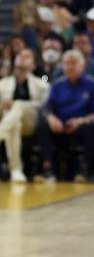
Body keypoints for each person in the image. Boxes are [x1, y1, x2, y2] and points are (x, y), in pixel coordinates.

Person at [35, 49, 94, 181]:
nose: (70, 66)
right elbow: (46, 107)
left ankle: (84, 170)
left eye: (74, 63)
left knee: (93, 126)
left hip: (81, 127)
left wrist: (80, 121)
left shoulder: (93, 85)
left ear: (82, 66)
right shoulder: (57, 85)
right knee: (42, 123)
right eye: (66, 63)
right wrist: (51, 118)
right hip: (60, 126)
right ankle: (47, 169)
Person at [0, 49, 50, 183]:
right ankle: (16, 170)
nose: (22, 58)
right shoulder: (2, 83)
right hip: (10, 122)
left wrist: (17, 104)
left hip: (32, 123)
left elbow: (45, 107)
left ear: (33, 65)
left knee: (18, 105)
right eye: (20, 56)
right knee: (13, 123)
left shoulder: (42, 84)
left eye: (27, 56)